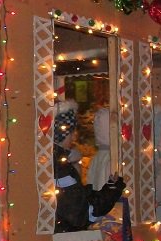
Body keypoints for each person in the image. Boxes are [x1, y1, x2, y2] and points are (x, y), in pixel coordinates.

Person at [52, 99, 124, 233]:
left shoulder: (57, 162)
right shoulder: (61, 168)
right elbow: (82, 212)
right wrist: (112, 189)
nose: (74, 136)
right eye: (71, 132)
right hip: (67, 238)